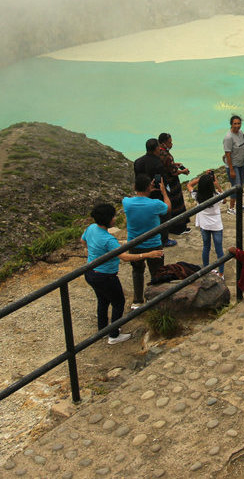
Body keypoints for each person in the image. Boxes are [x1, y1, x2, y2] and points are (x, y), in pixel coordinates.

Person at [80, 203, 163, 343]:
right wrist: (148, 254)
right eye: (113, 216)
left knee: (103, 300)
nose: (115, 218)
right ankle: (113, 335)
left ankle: (103, 330)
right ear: (107, 219)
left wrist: (94, 251)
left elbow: (83, 241)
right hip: (105, 276)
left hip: (90, 272)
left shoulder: (91, 228)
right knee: (118, 302)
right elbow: (125, 257)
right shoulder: (108, 239)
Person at [123, 173, 171, 309]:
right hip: (154, 244)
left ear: (134, 186)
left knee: (137, 271)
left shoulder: (126, 202)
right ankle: (155, 298)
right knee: (157, 272)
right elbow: (168, 208)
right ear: (150, 187)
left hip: (134, 244)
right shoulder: (155, 204)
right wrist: (163, 192)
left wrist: (147, 189)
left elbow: (133, 196)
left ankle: (137, 301)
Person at [133, 138, 176, 247]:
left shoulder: (138, 162)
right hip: (156, 192)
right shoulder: (158, 163)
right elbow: (163, 180)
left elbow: (137, 177)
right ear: (156, 148)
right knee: (163, 215)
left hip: (142, 192)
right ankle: (164, 239)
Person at [187, 169, 225, 278]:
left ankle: (206, 270)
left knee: (206, 247)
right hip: (216, 225)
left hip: (204, 224)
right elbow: (225, 200)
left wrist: (202, 178)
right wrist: (217, 184)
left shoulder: (197, 195)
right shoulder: (216, 195)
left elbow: (189, 185)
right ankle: (221, 273)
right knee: (219, 250)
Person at [158, 132, 191, 236]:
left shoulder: (158, 153)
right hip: (172, 184)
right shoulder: (167, 156)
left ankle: (171, 227)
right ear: (163, 143)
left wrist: (174, 165)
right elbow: (173, 172)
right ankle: (179, 228)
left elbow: (167, 167)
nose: (171, 144)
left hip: (165, 183)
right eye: (169, 142)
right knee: (177, 205)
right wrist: (183, 171)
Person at [222, 115, 244, 214]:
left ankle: (239, 204)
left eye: (239, 123)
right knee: (235, 186)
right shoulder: (228, 137)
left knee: (240, 185)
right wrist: (231, 169)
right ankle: (231, 208)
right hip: (234, 166)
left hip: (241, 163)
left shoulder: (240, 133)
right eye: (235, 123)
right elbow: (227, 154)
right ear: (231, 124)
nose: (237, 125)